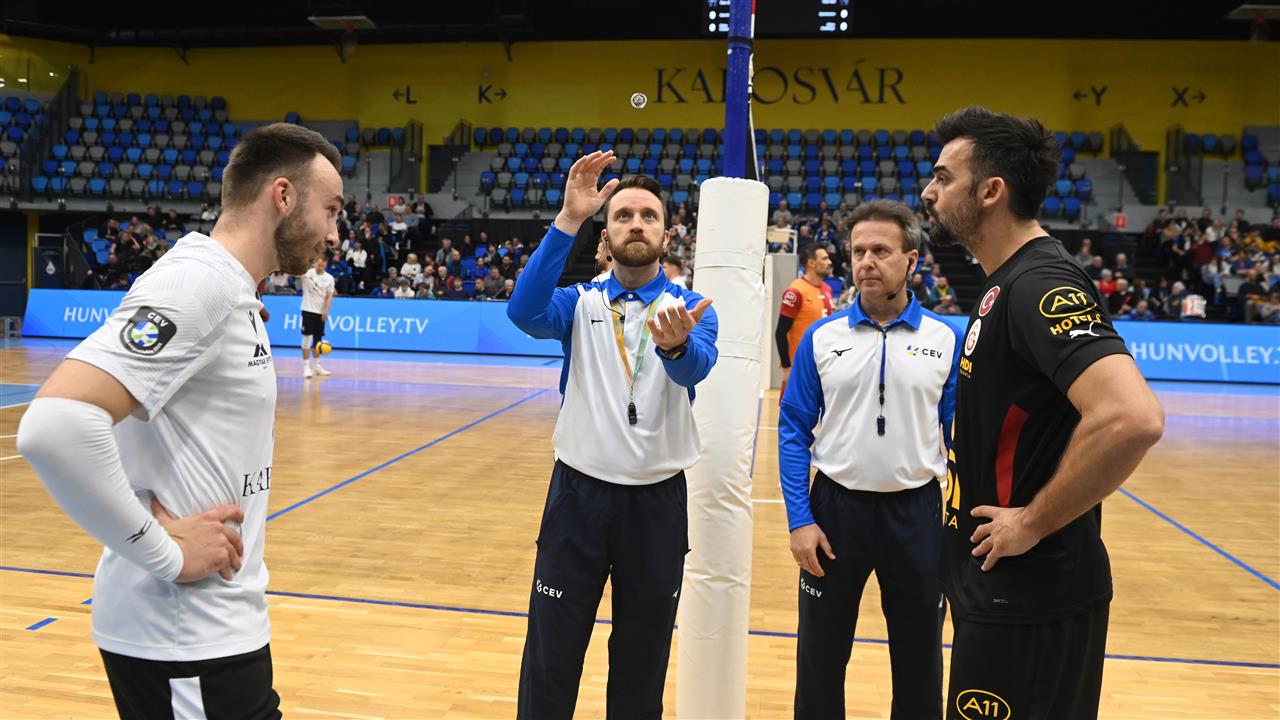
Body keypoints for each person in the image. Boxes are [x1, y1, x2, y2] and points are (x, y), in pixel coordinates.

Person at [16, 123, 343, 719]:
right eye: (332, 210)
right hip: (183, 635)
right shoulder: (200, 284)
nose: (334, 233)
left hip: (214, 632)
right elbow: (55, 425)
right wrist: (165, 553)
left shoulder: (231, 289)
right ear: (283, 196)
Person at [920, 106, 1164, 719]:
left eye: (944, 177)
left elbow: (1131, 417)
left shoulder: (1040, 285)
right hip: (999, 594)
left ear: (991, 191)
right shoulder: (1004, 282)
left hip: (1029, 600)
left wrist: (1031, 521)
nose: (928, 191)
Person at [507, 155, 717, 720]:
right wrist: (568, 220)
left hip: (657, 506)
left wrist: (675, 346)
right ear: (607, 234)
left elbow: (695, 370)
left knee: (641, 663)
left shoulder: (691, 310)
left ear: (666, 235)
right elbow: (523, 312)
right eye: (623, 216)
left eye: (649, 216)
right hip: (577, 499)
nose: (636, 224)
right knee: (551, 655)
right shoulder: (579, 303)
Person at [779, 200, 960, 719]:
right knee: (820, 656)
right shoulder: (822, 337)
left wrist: (958, 524)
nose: (866, 261)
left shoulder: (945, 339)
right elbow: (793, 431)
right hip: (835, 513)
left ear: (911, 260)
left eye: (881, 250)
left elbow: (960, 440)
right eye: (858, 251)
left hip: (917, 514)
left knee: (920, 658)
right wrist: (800, 520)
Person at [775, 244, 833, 399]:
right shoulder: (796, 291)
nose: (829, 262)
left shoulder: (827, 289)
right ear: (811, 263)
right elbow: (780, 332)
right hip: (799, 369)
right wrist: (787, 368)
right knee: (792, 412)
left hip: (822, 366)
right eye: (824, 259)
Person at [299, 255, 335, 378]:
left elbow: (330, 297)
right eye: (319, 265)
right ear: (314, 263)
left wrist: (326, 311)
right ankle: (306, 367)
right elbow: (295, 270)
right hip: (308, 310)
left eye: (323, 265)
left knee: (318, 341)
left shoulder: (329, 278)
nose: (321, 267)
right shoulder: (307, 274)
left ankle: (317, 366)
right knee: (306, 339)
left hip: (320, 313)